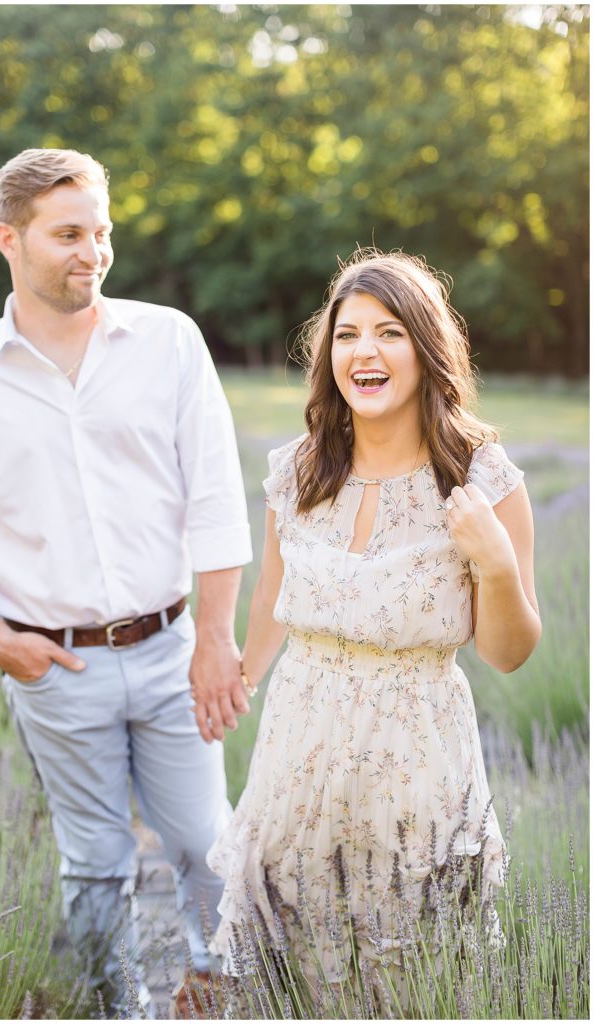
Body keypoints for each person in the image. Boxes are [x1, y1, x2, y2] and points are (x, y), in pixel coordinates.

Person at [0, 147, 254, 1018]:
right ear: (9, 238)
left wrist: (216, 639)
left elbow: (217, 499)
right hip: (53, 667)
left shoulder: (169, 341)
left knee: (205, 839)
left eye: (101, 232)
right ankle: (115, 1008)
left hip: (177, 646)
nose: (92, 253)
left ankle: (213, 987)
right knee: (95, 856)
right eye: (68, 234)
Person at [207, 249, 542, 1014]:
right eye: (347, 333)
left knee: (411, 970)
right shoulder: (297, 471)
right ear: (328, 354)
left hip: (417, 758)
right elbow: (272, 594)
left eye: (388, 333)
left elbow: (510, 653)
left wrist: (492, 564)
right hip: (300, 747)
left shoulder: (482, 480)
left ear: (426, 350)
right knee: (289, 959)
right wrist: (239, 674)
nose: (364, 351)